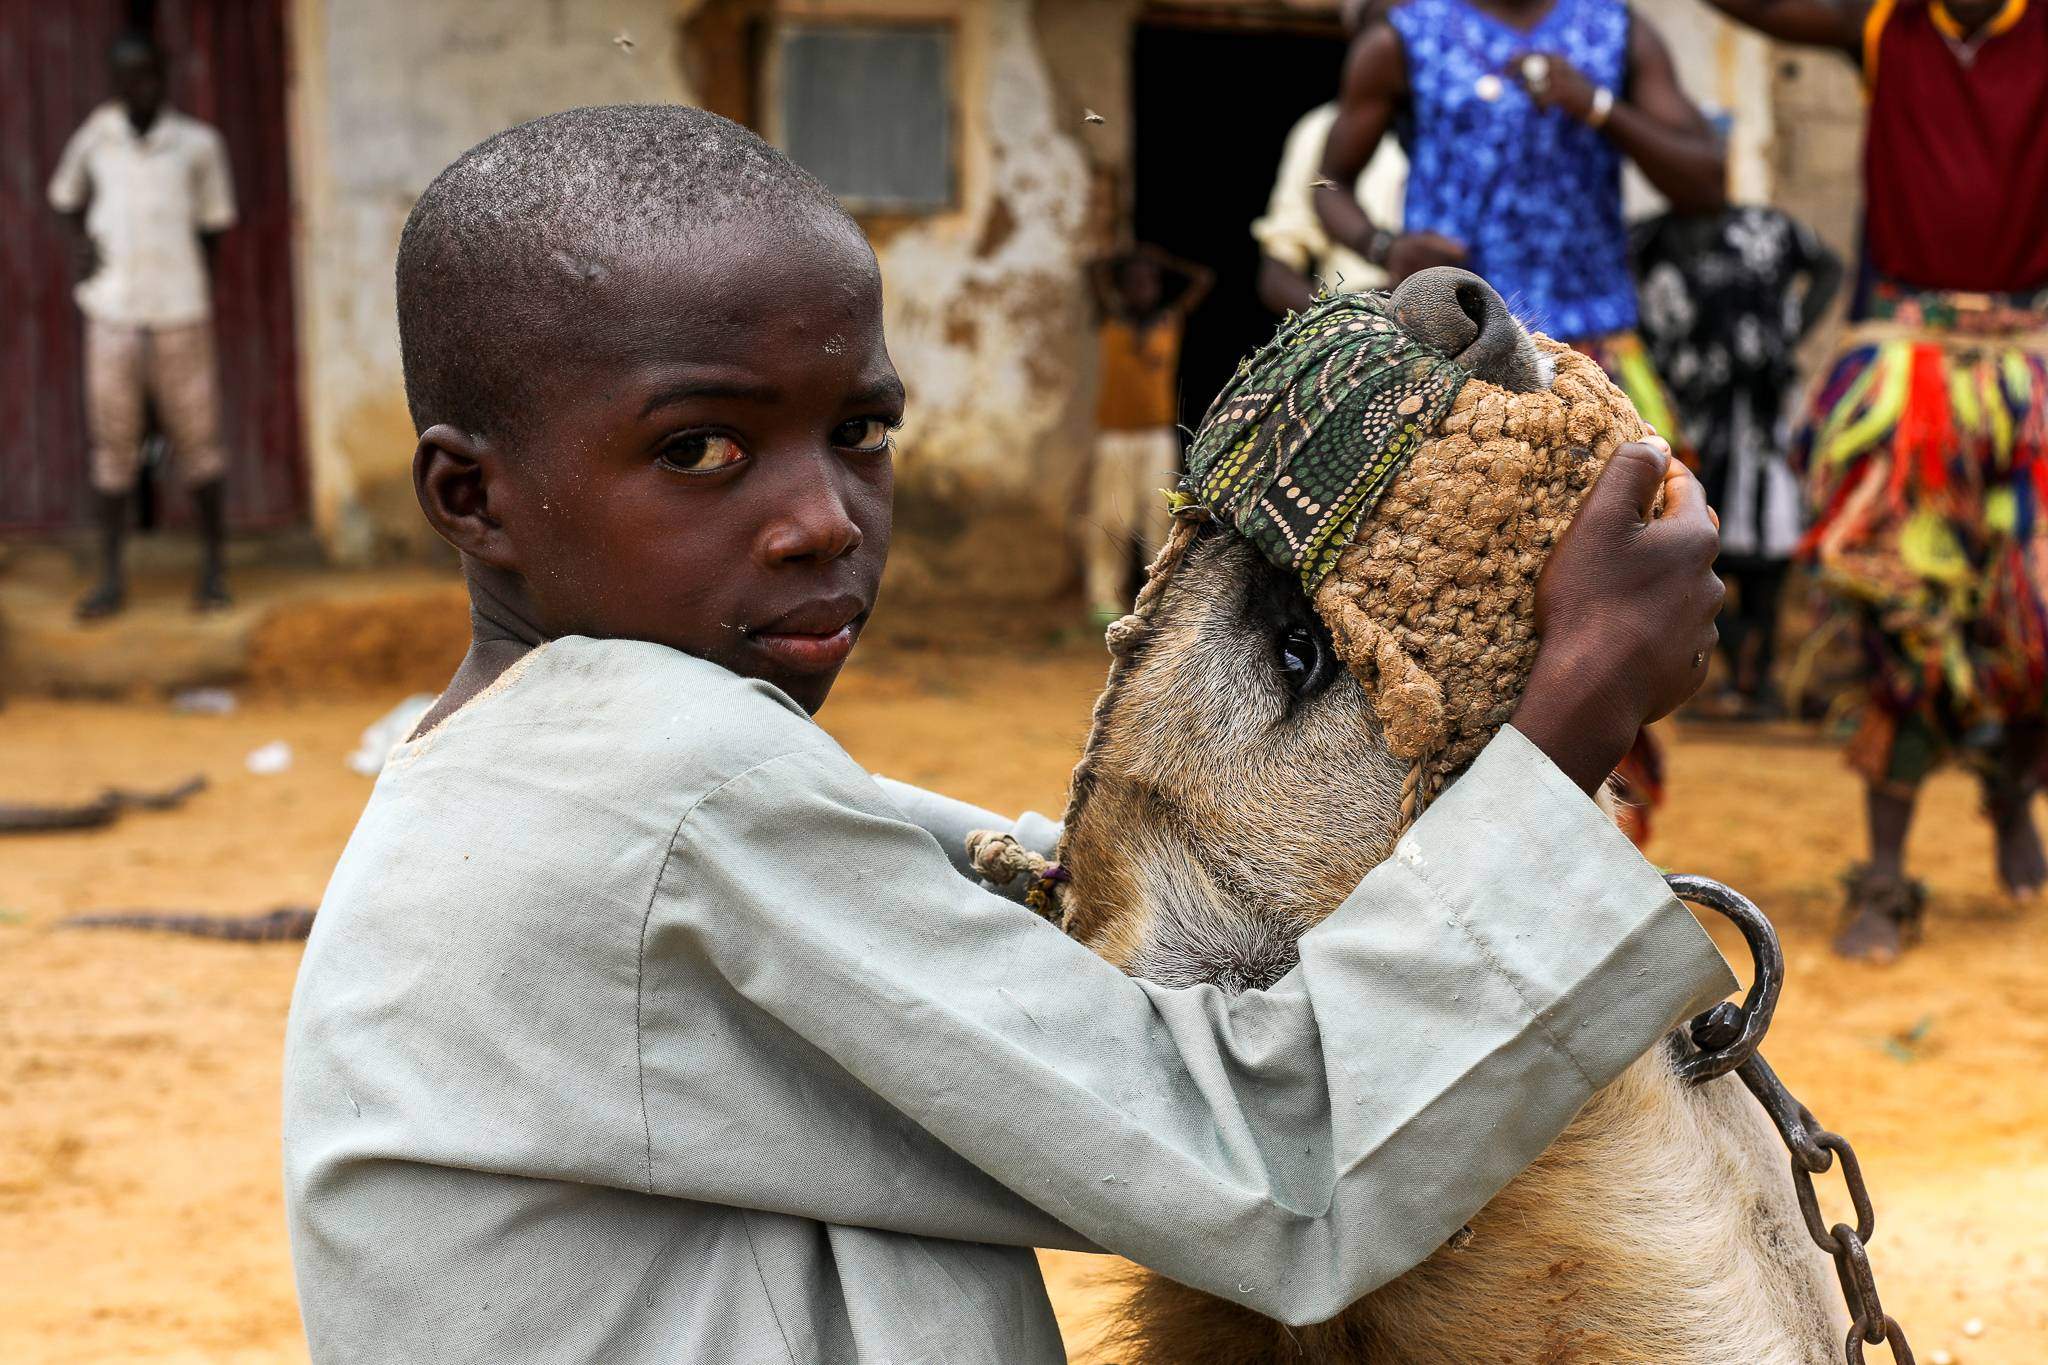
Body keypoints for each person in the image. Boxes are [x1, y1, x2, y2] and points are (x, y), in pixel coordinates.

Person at [281, 105, 1732, 1363]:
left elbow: (1059, 933)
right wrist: (1567, 721)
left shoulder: (534, 767)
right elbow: (1278, 1179)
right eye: (700, 451)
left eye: (858, 434)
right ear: (469, 498)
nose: (820, 518)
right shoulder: (665, 791)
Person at [1703, 0, 2048, 960]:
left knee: (2033, 625)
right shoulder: (1881, 25)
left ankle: (2011, 786)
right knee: (1898, 610)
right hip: (1903, 369)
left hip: (2034, 364)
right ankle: (1887, 876)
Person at [46, 32, 238, 619]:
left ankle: (212, 570)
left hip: (180, 313)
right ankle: (110, 577)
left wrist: (182, 278)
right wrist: (81, 251)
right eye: (129, 76)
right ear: (116, 81)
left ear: (164, 76)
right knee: (114, 446)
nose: (141, 86)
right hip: (112, 314)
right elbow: (63, 198)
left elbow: (213, 227)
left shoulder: (198, 144)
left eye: (150, 74)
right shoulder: (97, 138)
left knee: (199, 443)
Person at [1632, 205, 1845, 717]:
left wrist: (1792, 330)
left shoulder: (1768, 228)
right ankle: (1717, 677)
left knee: (1768, 544)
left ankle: (1759, 677)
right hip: (1690, 418)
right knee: (1701, 533)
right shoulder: (1646, 240)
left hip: (1763, 417)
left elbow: (1830, 266)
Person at [1252, 0, 1408, 314]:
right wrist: (1343, 322)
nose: (1394, 44)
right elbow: (1277, 270)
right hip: (1357, 323)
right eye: (1384, 30)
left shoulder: (1474, 124)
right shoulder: (1318, 132)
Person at [1085, 242, 1210, 623]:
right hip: (1115, 436)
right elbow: (1092, 269)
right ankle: (1104, 600)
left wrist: (1160, 259)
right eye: (1134, 283)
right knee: (1110, 519)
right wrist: (1126, 258)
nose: (1143, 290)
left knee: (1157, 519)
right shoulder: (1110, 319)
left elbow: (1202, 279)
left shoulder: (1169, 320)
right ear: (1122, 288)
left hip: (1156, 436)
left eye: (1149, 282)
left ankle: (1156, 599)